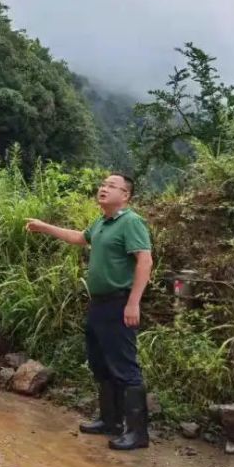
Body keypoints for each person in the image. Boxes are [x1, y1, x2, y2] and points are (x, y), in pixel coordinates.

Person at [25, 174, 153, 451]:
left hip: (119, 303)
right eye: (103, 185)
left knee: (124, 366)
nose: (103, 189)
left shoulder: (130, 222)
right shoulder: (102, 222)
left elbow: (145, 259)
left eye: (111, 186)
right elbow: (79, 238)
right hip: (98, 304)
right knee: (100, 363)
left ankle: (137, 432)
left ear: (126, 195)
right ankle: (111, 421)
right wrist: (43, 226)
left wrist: (134, 302)